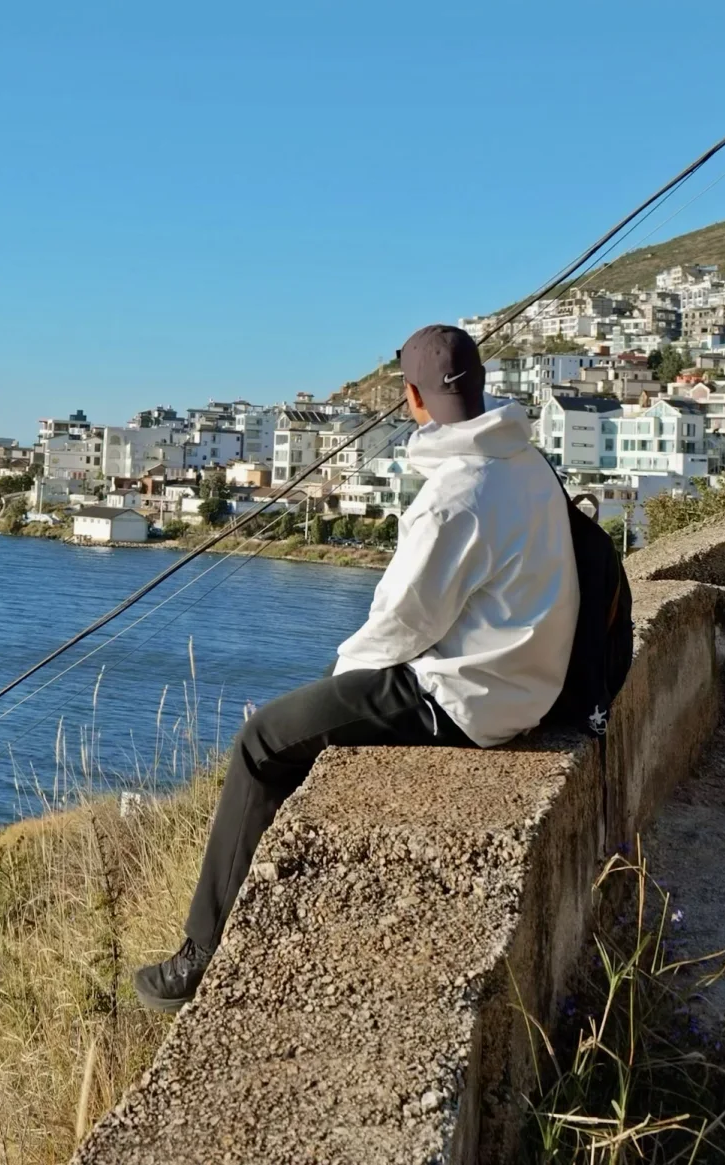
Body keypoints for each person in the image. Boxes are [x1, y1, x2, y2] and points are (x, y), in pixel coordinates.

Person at [133, 324, 579, 1012]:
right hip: (529, 685)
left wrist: (335, 680)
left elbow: (401, 623)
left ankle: (200, 956)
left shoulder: (456, 492)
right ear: (481, 384)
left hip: (466, 700)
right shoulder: (529, 463)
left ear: (411, 398)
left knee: (261, 743)